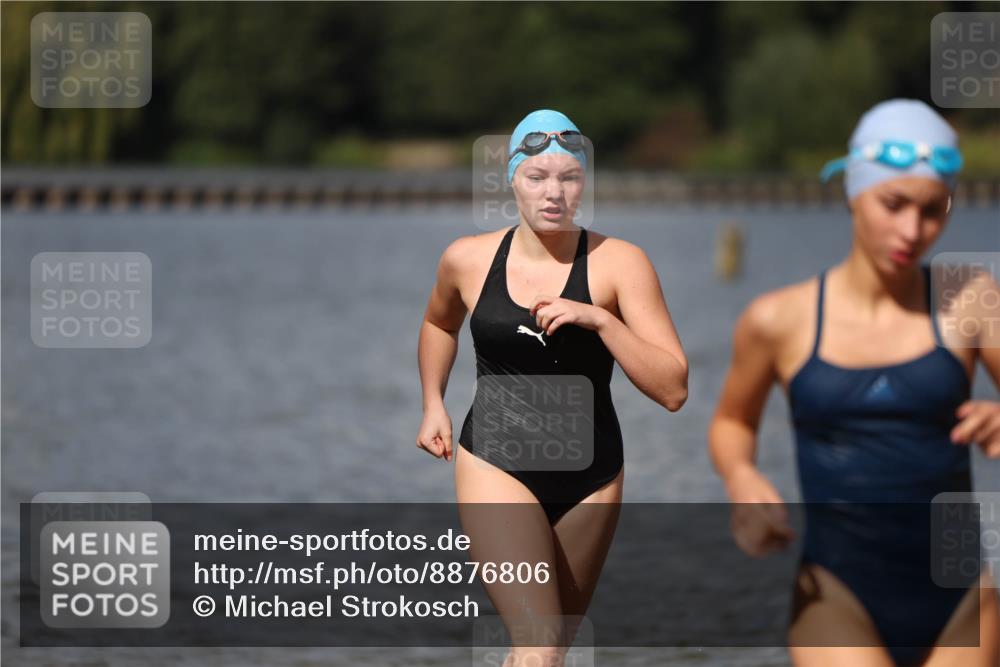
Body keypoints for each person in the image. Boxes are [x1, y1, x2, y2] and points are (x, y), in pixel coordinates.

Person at [708, 98, 1000, 667]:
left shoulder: (970, 300)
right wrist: (741, 476)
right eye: (893, 204)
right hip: (837, 594)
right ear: (852, 192)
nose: (912, 230)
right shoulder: (779, 319)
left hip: (962, 597)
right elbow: (732, 421)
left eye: (932, 211)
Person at [416, 109, 687, 665]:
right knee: (538, 646)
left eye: (569, 177)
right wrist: (432, 403)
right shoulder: (467, 259)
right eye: (537, 176)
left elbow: (673, 389)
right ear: (511, 179)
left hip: (592, 477)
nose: (554, 192)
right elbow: (439, 324)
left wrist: (602, 321)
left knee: (551, 651)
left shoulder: (621, 264)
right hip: (496, 463)